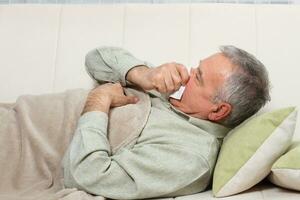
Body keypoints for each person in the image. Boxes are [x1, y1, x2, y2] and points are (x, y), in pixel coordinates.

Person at [62, 45, 270, 199]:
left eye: (198, 78)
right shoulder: (170, 89)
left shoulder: (189, 157)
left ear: (218, 110)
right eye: (195, 69)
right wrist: (142, 73)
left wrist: (98, 101)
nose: (187, 75)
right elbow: (95, 58)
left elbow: (87, 175)